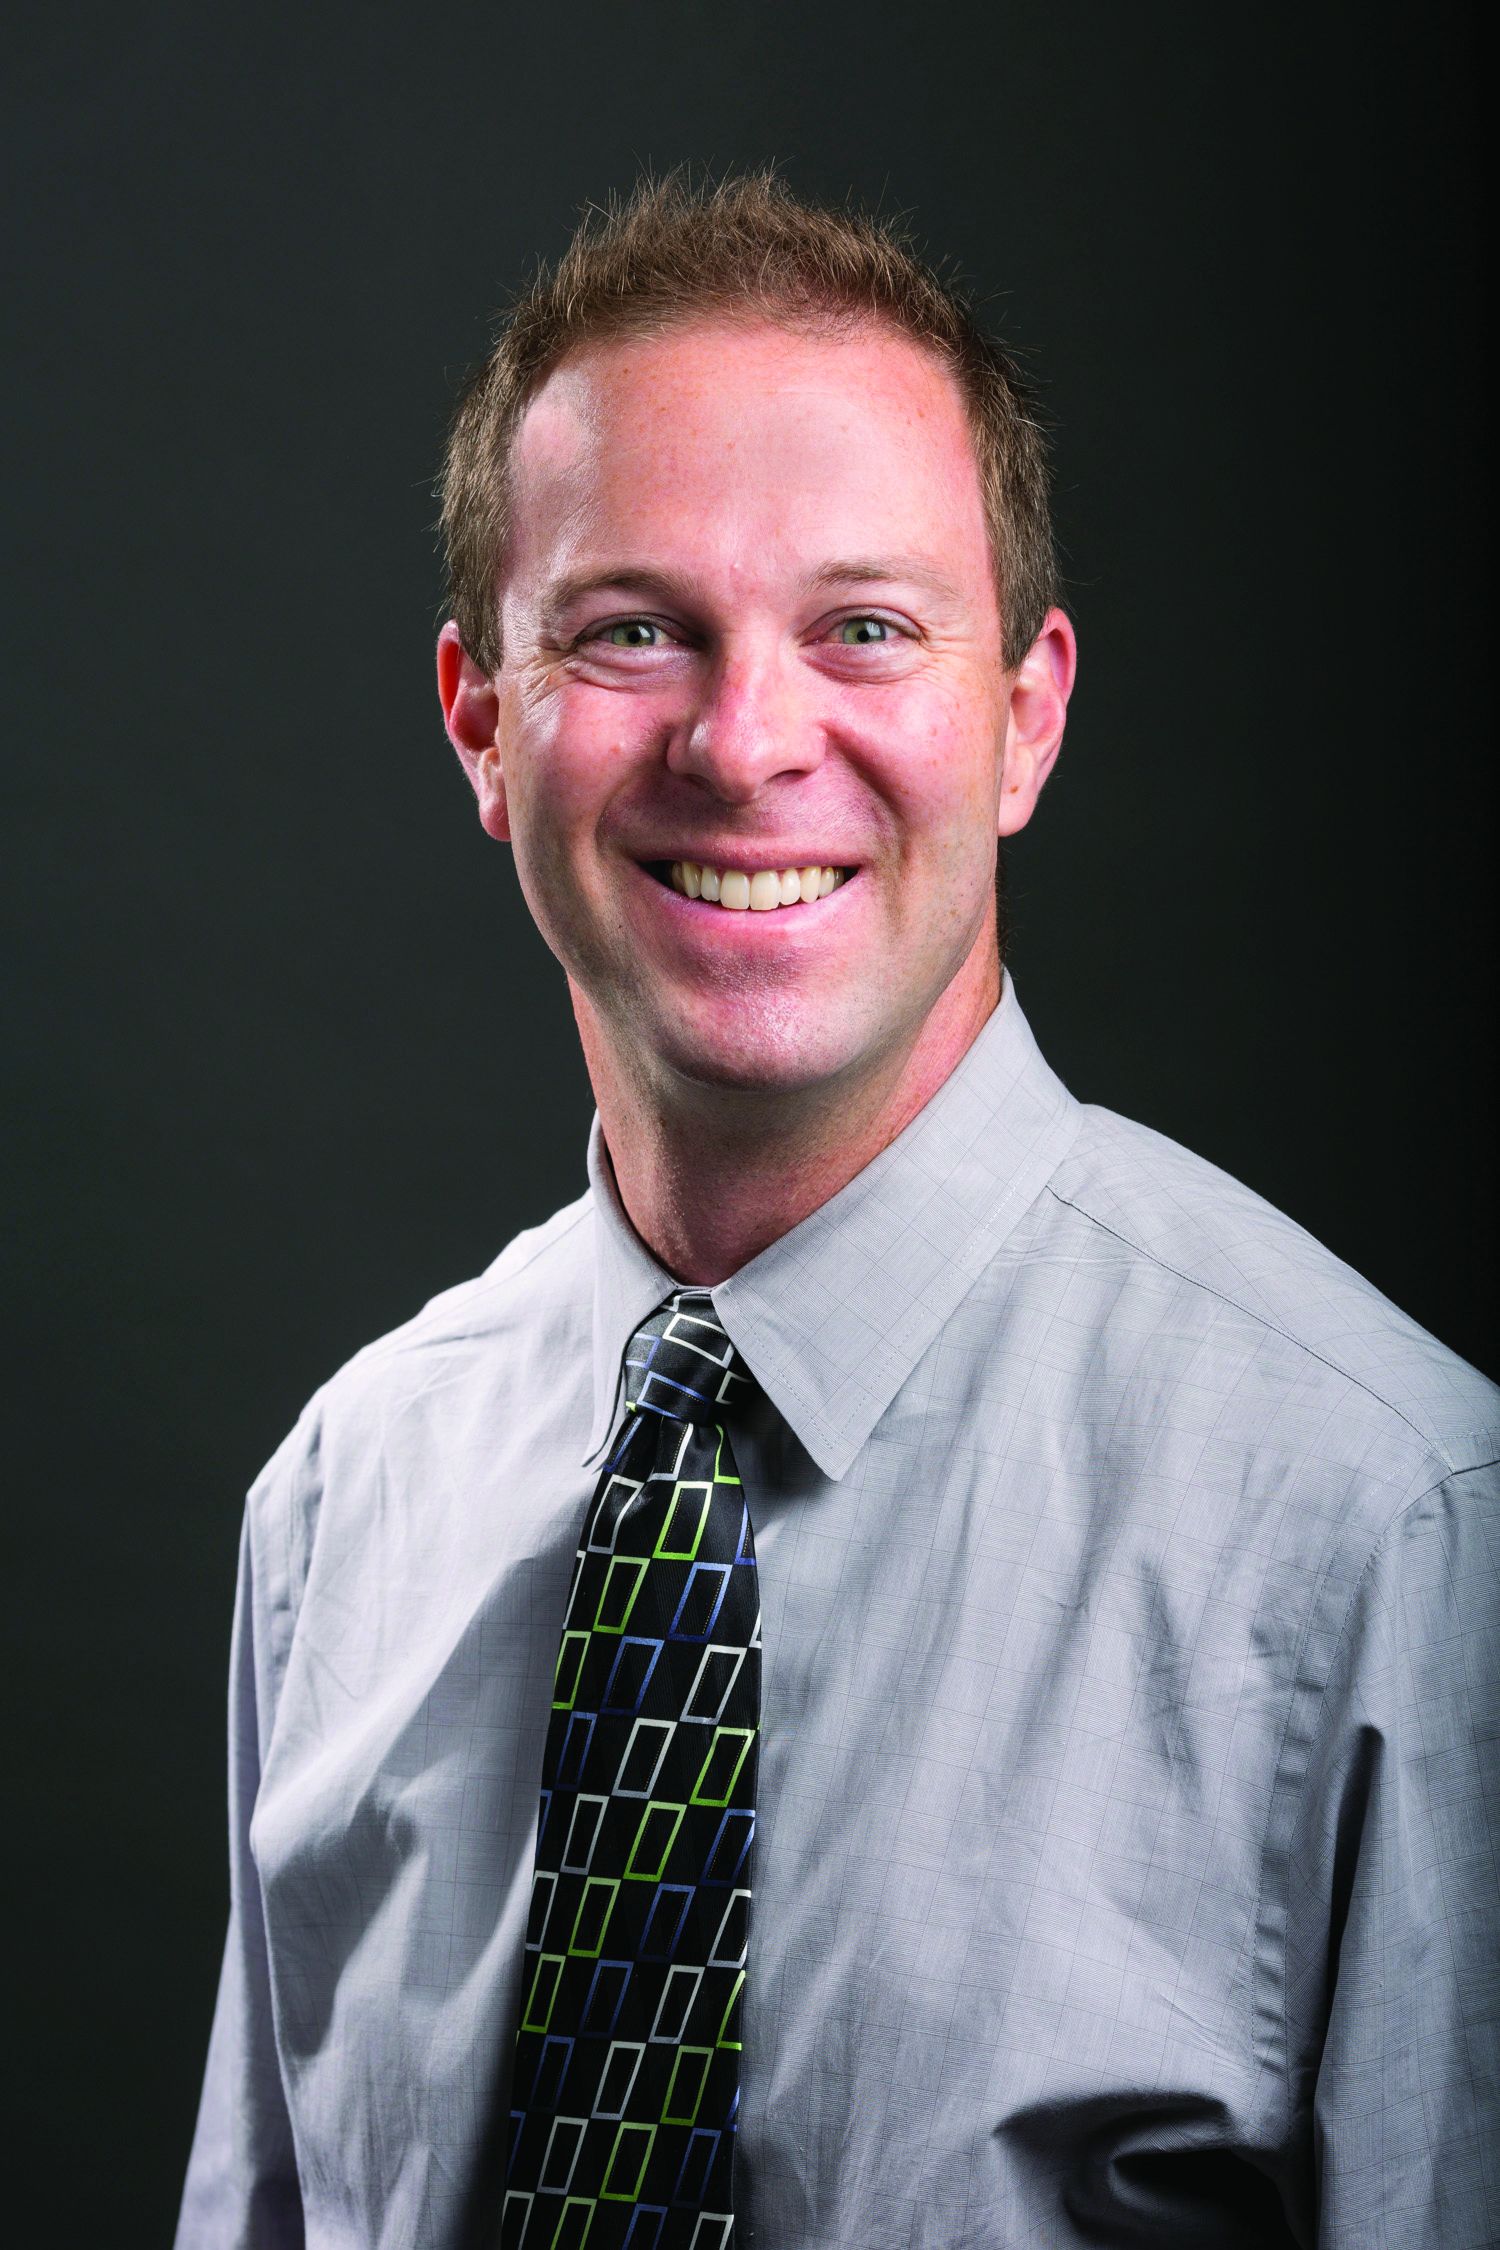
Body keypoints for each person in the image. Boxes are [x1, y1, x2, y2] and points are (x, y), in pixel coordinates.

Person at [176, 172, 1499, 2250]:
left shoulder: (1394, 1525)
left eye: (864, 628)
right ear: (483, 723)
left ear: (1025, 719)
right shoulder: (343, 1504)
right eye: (632, 630)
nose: (745, 742)